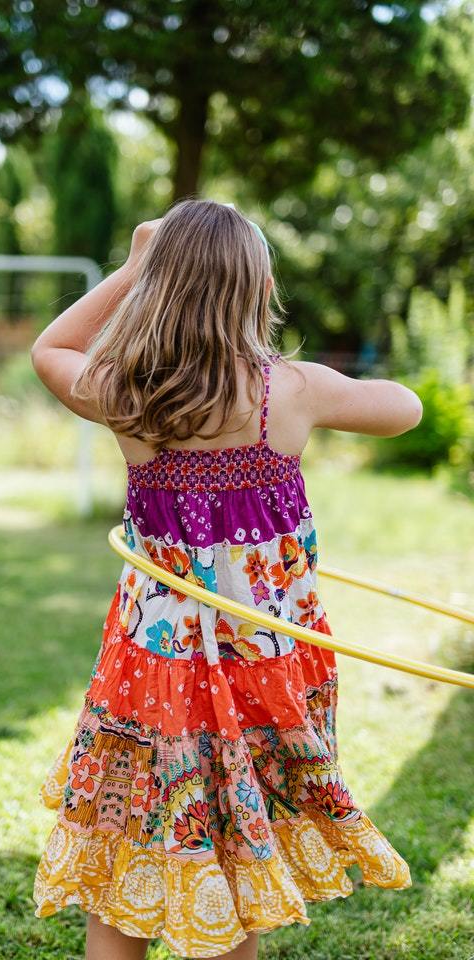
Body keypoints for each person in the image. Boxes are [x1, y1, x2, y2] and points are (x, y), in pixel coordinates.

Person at [29, 199, 420, 960]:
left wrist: (133, 267)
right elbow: (403, 408)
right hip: (261, 668)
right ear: (260, 288)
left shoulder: (128, 393)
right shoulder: (294, 391)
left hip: (152, 666)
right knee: (236, 848)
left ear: (158, 288)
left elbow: (52, 348)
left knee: (130, 841)